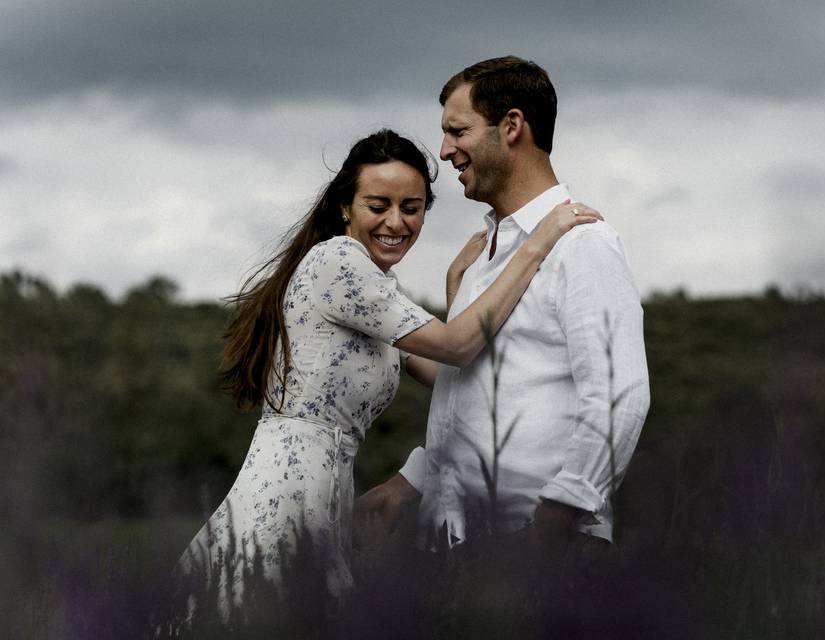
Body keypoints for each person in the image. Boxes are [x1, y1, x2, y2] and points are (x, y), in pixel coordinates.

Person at [174, 129, 600, 618]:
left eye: (411, 208)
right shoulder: (339, 262)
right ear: (345, 207)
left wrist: (457, 292)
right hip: (286, 489)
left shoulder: (377, 287)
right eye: (378, 205)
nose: (396, 222)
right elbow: (458, 347)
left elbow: (455, 386)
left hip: (325, 492)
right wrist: (536, 246)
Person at [356, 57, 650, 554]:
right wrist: (412, 481)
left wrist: (556, 518)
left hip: (538, 546)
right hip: (452, 546)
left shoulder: (583, 244)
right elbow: (474, 391)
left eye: (458, 131)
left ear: (511, 126)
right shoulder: (480, 260)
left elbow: (620, 395)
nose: (445, 151)